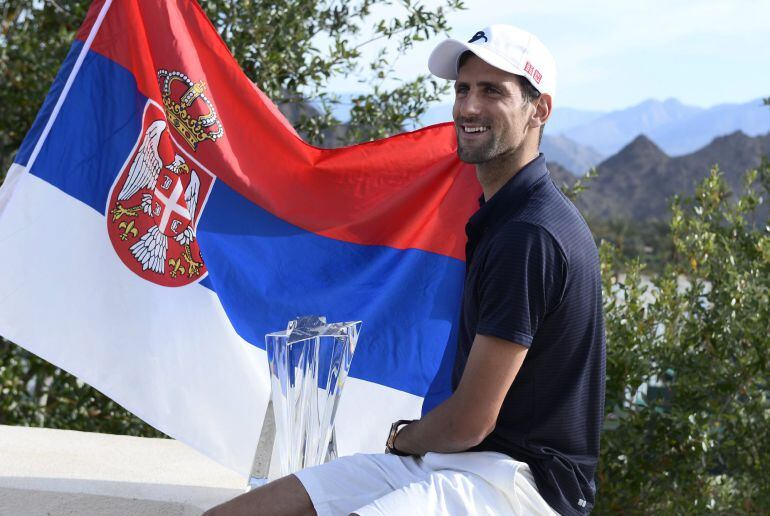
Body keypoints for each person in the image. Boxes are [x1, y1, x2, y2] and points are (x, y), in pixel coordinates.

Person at [205, 24, 605, 516]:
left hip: (518, 487)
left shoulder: (529, 234)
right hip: (458, 463)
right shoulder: (504, 215)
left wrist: (402, 438)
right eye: (463, 90)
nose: (469, 107)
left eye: (492, 91)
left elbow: (470, 422)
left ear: (538, 109)